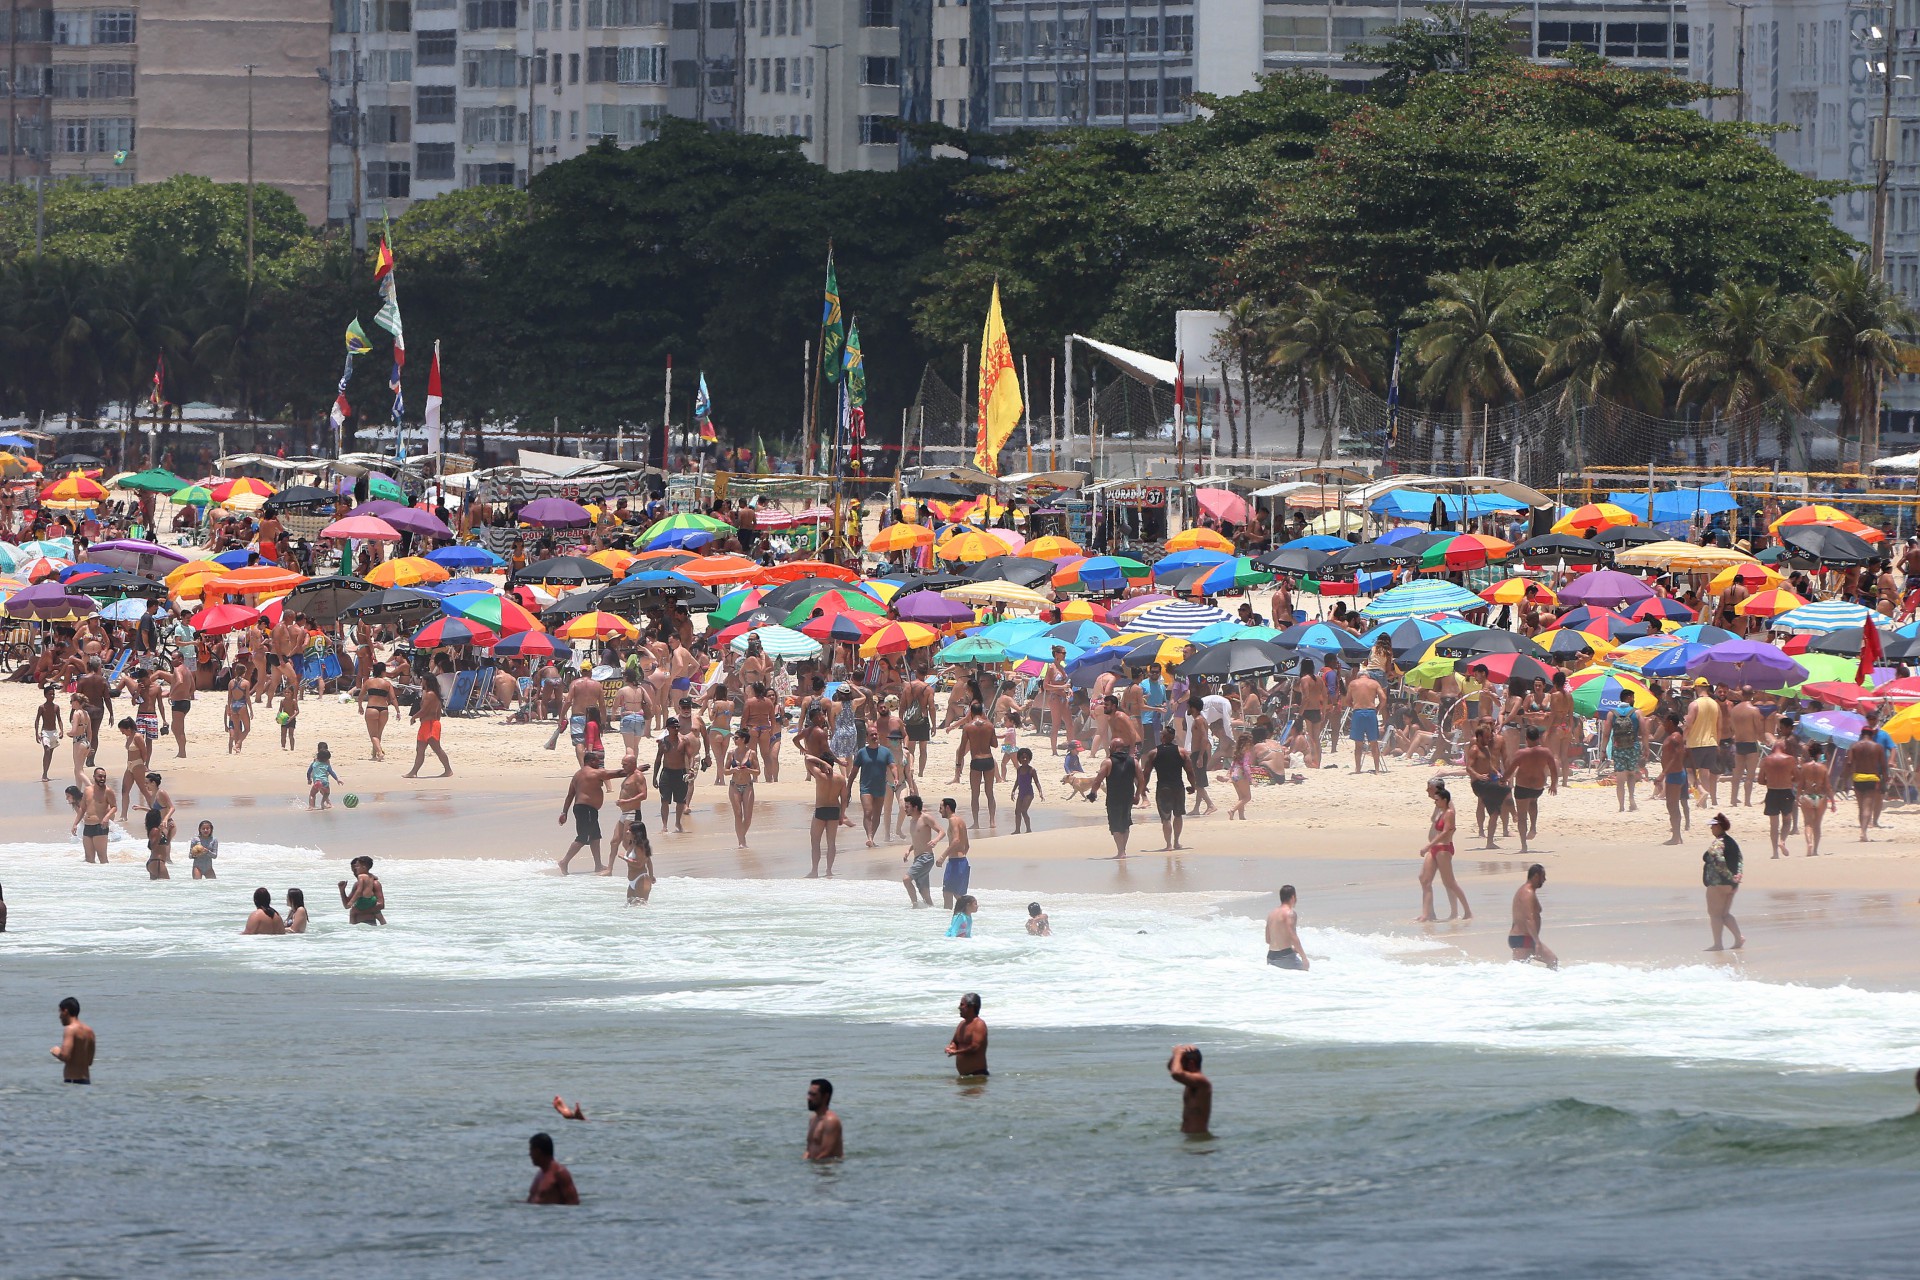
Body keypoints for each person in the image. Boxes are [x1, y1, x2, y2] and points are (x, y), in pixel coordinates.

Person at [557, 750, 630, 875]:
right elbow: (619, 773)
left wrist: (564, 812)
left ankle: (598, 864)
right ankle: (564, 861)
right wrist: (636, 769)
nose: (599, 762)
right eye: (597, 760)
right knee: (583, 837)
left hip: (583, 809)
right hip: (586, 810)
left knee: (595, 836)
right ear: (590, 761)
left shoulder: (577, 774)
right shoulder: (595, 773)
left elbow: (570, 795)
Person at [1417, 778, 1469, 922]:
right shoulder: (1438, 804)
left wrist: (1430, 845)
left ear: (1437, 789)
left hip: (1442, 848)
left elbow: (1449, 829)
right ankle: (1428, 913)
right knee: (1424, 878)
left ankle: (1455, 912)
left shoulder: (1447, 807)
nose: (1427, 791)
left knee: (1448, 881)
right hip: (1434, 847)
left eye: (1429, 788)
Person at [1144, 723, 1198, 852]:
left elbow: (1146, 773)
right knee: (1178, 815)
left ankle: (1168, 845)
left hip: (1163, 787)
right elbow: (1190, 771)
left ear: (1163, 737)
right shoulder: (1182, 752)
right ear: (1173, 738)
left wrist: (1143, 788)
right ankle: (1176, 842)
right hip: (1178, 786)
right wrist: (1193, 786)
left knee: (1166, 817)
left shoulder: (1154, 753)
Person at [1508, 726, 1561, 854]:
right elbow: (1554, 770)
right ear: (1538, 738)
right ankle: (1533, 827)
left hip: (1522, 786)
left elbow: (1510, 770)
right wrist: (1554, 784)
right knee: (1533, 802)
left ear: (1526, 739)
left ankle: (1523, 845)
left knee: (1521, 816)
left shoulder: (1521, 753)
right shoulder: (1546, 752)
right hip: (1538, 787)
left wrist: (1503, 780)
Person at [1086, 740, 1139, 859]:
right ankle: (1123, 850)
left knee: (1115, 824)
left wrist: (1093, 793)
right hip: (1128, 797)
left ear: (1113, 747)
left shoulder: (1108, 762)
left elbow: (1098, 780)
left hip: (1114, 798)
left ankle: (1120, 852)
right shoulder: (1133, 762)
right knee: (1125, 823)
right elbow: (1140, 780)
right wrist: (1138, 795)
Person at [1701, 812, 1746, 951]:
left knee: (1714, 914)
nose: (1711, 829)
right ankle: (1739, 938)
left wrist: (1728, 876)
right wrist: (1737, 877)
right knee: (1724, 914)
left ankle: (1718, 944)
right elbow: (1739, 860)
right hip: (1732, 884)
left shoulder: (1718, 843)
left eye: (1713, 826)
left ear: (1719, 827)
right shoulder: (1732, 842)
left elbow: (1718, 860)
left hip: (1718, 883)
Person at [804, 748, 847, 877]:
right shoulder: (840, 779)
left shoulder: (819, 775)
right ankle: (829, 871)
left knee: (815, 841)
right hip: (834, 810)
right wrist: (842, 815)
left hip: (821, 810)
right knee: (831, 842)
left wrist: (821, 762)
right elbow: (844, 799)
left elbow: (807, 757)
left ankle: (815, 871)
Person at [1508, 864, 1559, 967]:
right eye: (1543, 876)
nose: (1544, 879)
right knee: (1552, 961)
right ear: (1536, 876)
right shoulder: (1528, 893)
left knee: (1521, 969)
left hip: (1521, 938)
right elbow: (1529, 919)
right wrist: (1537, 942)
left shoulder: (1525, 891)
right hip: (1523, 939)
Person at [1759, 735, 1800, 858]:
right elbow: (1798, 777)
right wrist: (1788, 779)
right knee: (1787, 821)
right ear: (1784, 748)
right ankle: (1782, 841)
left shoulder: (1766, 760)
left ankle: (1775, 853)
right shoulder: (1790, 759)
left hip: (1772, 792)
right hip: (1786, 791)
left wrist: (1770, 782)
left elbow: (1760, 780)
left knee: (1773, 825)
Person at [852, 734, 896, 849]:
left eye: (876, 734)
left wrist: (896, 777)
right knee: (868, 811)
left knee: (877, 813)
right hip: (866, 787)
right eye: (872, 735)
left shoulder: (885, 752)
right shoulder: (862, 752)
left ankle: (872, 837)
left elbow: (893, 766)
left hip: (880, 787)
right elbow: (854, 770)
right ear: (867, 737)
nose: (875, 736)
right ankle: (869, 838)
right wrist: (848, 786)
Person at [1682, 678, 1722, 805]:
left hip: (1696, 743)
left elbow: (1688, 725)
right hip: (1711, 742)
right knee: (1705, 773)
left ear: (1697, 688)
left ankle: (1701, 792)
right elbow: (1719, 726)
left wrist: (1682, 739)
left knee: (1689, 771)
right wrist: (1717, 743)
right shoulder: (1716, 704)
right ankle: (1703, 802)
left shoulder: (1694, 704)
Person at [959, 702, 998, 827]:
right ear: (982, 712)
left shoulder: (968, 727)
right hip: (988, 759)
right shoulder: (990, 726)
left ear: (971, 713)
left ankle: (976, 822)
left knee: (975, 794)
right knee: (989, 792)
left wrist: (958, 764)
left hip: (975, 760)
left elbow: (962, 747)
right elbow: (995, 744)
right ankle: (992, 821)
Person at [403, 679, 451, 779]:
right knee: (420, 749)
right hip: (427, 724)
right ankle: (413, 772)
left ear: (427, 682)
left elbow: (424, 710)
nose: (421, 683)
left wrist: (413, 717)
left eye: (423, 681)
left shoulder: (430, 694)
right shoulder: (433, 694)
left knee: (436, 748)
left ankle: (448, 770)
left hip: (430, 725)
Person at [1849, 730, 1888, 842]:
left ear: (1861, 734)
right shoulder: (1878, 747)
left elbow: (1849, 763)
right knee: (1868, 807)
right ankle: (1863, 832)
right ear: (1872, 735)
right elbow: (1883, 765)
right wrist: (1885, 779)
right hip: (1872, 778)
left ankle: (1862, 829)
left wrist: (1847, 776)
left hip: (1858, 777)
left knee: (1861, 807)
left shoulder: (1854, 746)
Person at [724, 727, 759, 849]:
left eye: (736, 738)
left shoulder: (752, 753)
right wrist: (733, 770)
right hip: (734, 786)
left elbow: (758, 772)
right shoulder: (731, 753)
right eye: (734, 738)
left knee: (748, 817)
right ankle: (741, 841)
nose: (734, 739)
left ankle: (741, 836)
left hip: (748, 786)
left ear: (743, 739)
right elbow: (725, 771)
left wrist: (748, 770)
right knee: (738, 814)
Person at [1345, 666, 1385, 773]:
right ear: (1368, 675)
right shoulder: (1374, 683)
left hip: (1358, 713)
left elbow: (1347, 700)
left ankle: (1358, 769)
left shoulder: (1353, 684)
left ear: (1358, 676)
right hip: (1371, 712)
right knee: (1374, 743)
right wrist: (1378, 709)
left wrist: (1354, 706)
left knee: (1358, 744)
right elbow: (1384, 698)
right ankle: (1377, 769)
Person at [73, 766, 117, 865]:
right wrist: (75, 824)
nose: (102, 779)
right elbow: (82, 808)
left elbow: (114, 807)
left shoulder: (108, 791)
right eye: (100, 776)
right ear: (94, 777)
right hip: (87, 827)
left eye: (104, 777)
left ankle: (108, 878)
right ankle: (92, 879)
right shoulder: (87, 790)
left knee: (102, 857)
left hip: (100, 826)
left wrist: (106, 817)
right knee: (89, 859)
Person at [900, 794, 937, 908]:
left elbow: (941, 831)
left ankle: (915, 906)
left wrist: (935, 840)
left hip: (926, 857)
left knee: (906, 879)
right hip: (918, 857)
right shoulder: (912, 822)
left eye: (907, 807)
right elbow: (917, 840)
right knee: (924, 891)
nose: (905, 809)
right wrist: (909, 850)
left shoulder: (925, 818)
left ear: (915, 807)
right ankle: (932, 911)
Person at [1167, 1045, 1212, 1136]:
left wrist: (1178, 1054)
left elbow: (1176, 1073)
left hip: (1198, 1141)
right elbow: (1172, 1068)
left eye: (1181, 1064)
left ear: (1191, 1064)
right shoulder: (1191, 1082)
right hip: (1190, 1138)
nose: (1179, 1066)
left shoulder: (1201, 1082)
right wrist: (1177, 1053)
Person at [1659, 712, 1689, 846]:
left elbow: (1678, 756)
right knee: (1671, 805)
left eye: (1664, 721)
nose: (1663, 724)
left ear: (1670, 722)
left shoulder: (1675, 737)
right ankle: (1677, 836)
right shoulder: (1672, 736)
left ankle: (1676, 836)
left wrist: (1663, 773)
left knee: (1673, 805)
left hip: (1675, 774)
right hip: (1674, 774)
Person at [1798, 741, 1833, 858]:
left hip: (1807, 796)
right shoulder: (1823, 768)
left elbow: (1800, 785)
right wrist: (1832, 802)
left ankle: (1809, 843)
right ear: (1819, 754)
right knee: (1817, 824)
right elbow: (1828, 786)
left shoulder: (1804, 767)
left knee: (1808, 823)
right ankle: (1815, 850)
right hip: (1821, 797)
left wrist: (1798, 797)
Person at [526, 1132, 581, 1204]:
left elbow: (574, 1202)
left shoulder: (560, 1172)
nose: (529, 1154)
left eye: (531, 1150)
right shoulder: (540, 1173)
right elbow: (530, 1201)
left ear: (538, 1151)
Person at [935, 797, 970, 908]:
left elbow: (956, 840)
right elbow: (967, 845)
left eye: (941, 808)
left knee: (948, 893)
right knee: (957, 894)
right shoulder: (961, 821)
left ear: (948, 808)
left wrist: (943, 856)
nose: (939, 810)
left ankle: (948, 919)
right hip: (962, 861)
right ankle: (966, 916)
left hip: (955, 863)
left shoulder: (953, 820)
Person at [51, 996, 95, 1084]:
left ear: (65, 1011)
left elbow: (65, 1056)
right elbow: (89, 1062)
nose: (59, 1016)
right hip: (86, 1081)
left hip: (72, 1082)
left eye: (60, 1012)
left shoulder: (70, 1029)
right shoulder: (90, 1031)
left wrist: (55, 1051)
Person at [945, 993, 989, 1077]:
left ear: (971, 1007)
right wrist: (951, 1047)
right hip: (964, 1077)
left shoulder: (979, 1024)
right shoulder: (961, 1024)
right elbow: (955, 1041)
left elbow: (975, 1047)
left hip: (977, 1076)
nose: (959, 1007)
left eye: (962, 1005)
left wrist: (956, 1052)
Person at [1265, 885, 1308, 970]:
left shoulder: (1271, 914)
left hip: (1270, 957)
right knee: (1306, 976)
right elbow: (1292, 936)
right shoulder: (1290, 913)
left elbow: (1268, 940)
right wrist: (1304, 957)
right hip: (1285, 957)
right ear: (1293, 897)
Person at [358, 661, 395, 761]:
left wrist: (360, 706)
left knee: (373, 735)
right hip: (384, 709)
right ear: (383, 672)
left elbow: (360, 696)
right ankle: (374, 754)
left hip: (372, 708)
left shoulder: (368, 682)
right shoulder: (387, 683)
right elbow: (393, 698)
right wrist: (398, 710)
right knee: (378, 734)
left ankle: (379, 752)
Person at [338, 855, 385, 925]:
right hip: (357, 928)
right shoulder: (356, 884)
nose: (355, 871)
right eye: (353, 869)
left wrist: (358, 911)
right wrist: (342, 890)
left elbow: (381, 905)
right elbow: (346, 906)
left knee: (353, 911)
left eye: (356, 868)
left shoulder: (375, 884)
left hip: (369, 924)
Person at [804, 1079, 843, 1161]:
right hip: (815, 1168)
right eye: (809, 1094)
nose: (809, 1098)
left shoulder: (831, 1121)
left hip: (828, 1169)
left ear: (825, 1097)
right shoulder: (813, 1119)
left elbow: (826, 1153)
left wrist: (811, 1167)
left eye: (813, 1095)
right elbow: (808, 1150)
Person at [1010, 746, 1044, 834]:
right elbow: (1017, 781)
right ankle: (1017, 830)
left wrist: (1040, 792)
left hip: (1029, 793)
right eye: (1022, 758)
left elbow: (1037, 782)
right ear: (1019, 759)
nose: (1024, 759)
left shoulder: (1031, 770)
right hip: (1021, 793)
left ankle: (1028, 829)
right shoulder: (1019, 769)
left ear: (1029, 759)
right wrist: (1013, 791)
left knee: (1024, 811)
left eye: (1026, 758)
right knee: (1017, 811)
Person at [34, 684, 61, 781]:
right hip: (45, 732)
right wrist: (36, 733)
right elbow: (37, 720)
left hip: (54, 732)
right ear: (45, 695)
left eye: (53, 694)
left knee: (50, 753)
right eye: (50, 694)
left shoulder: (56, 707)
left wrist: (61, 730)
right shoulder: (42, 707)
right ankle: (44, 774)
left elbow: (59, 720)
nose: (52, 696)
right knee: (47, 751)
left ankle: (46, 772)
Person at [306, 742, 342, 809]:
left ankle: (311, 806)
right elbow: (331, 771)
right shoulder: (326, 760)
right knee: (325, 792)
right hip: (324, 780)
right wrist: (337, 779)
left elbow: (309, 772)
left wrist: (309, 779)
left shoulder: (315, 762)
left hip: (317, 779)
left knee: (313, 794)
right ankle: (324, 803)